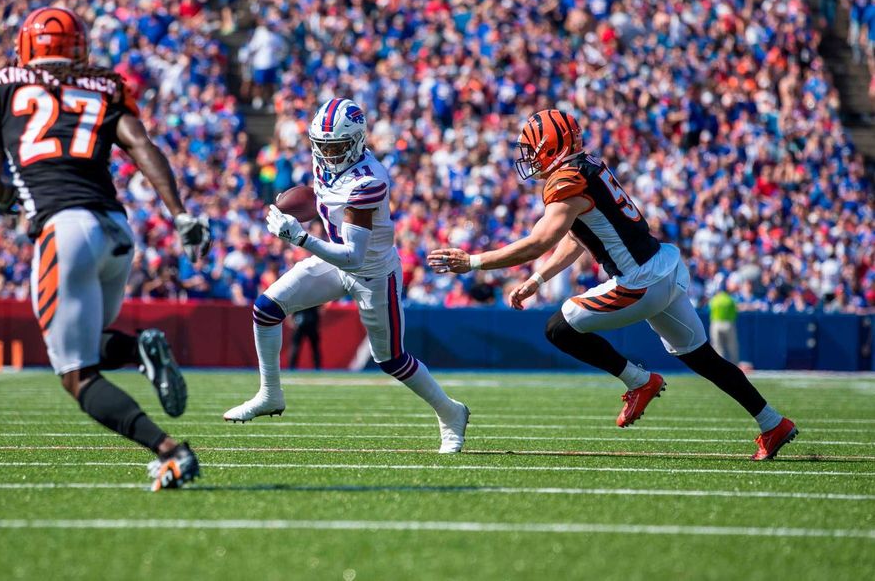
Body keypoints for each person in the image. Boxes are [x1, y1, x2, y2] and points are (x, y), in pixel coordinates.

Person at [428, 109, 797, 460]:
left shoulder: (567, 180)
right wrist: (538, 279)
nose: (530, 158)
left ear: (552, 147)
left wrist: (473, 262)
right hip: (663, 268)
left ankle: (639, 381)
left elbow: (539, 241)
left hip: (640, 282)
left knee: (559, 328)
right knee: (703, 357)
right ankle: (772, 423)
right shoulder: (587, 167)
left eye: (533, 149)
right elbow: (577, 239)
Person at [0, 7, 213, 489]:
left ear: (26, 48)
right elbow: (141, 145)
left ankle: (171, 452)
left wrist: (10, 200)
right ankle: (139, 350)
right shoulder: (104, 85)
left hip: (64, 230)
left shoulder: (2, 84)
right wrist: (180, 214)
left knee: (76, 374)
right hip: (116, 230)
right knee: (90, 342)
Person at [223, 97, 470, 453]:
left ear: (356, 141)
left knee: (392, 360)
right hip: (335, 257)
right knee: (266, 308)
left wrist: (300, 237)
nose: (328, 153)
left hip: (372, 272)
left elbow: (354, 257)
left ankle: (451, 413)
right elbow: (322, 200)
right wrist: (295, 208)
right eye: (322, 145)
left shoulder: (368, 181)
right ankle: (269, 394)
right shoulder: (325, 162)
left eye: (337, 146)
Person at [709, 284, 741, 364]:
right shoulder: (730, 300)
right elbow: (735, 312)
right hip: (728, 324)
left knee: (718, 347)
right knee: (732, 347)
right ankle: (734, 365)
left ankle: (720, 366)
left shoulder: (714, 300)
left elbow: (710, 310)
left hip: (716, 324)